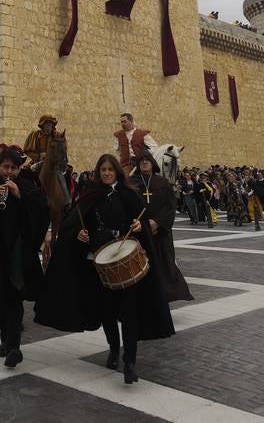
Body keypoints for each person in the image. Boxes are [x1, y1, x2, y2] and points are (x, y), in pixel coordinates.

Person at [35, 154, 174, 385]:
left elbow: (142, 220)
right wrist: (79, 233)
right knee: (107, 312)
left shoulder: (129, 195)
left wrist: (140, 226)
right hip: (98, 260)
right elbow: (74, 224)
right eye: (103, 170)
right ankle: (113, 348)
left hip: (125, 259)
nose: (107, 173)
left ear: (117, 171)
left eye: (110, 169)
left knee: (129, 314)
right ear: (98, 173)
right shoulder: (90, 196)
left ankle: (130, 362)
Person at [0, 146, 49, 368]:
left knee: (14, 298)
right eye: (6, 167)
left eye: (14, 168)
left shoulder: (26, 186)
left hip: (17, 254)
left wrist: (20, 197)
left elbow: (42, 211)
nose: (9, 172)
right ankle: (4, 339)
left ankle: (14, 346)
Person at [129, 151, 193, 302]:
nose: (144, 162)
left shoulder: (163, 182)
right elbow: (127, 205)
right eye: (141, 160)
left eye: (147, 160)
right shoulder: (130, 182)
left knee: (163, 266)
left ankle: (163, 297)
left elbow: (170, 206)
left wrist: (157, 222)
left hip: (159, 233)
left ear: (153, 163)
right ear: (138, 164)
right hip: (139, 233)